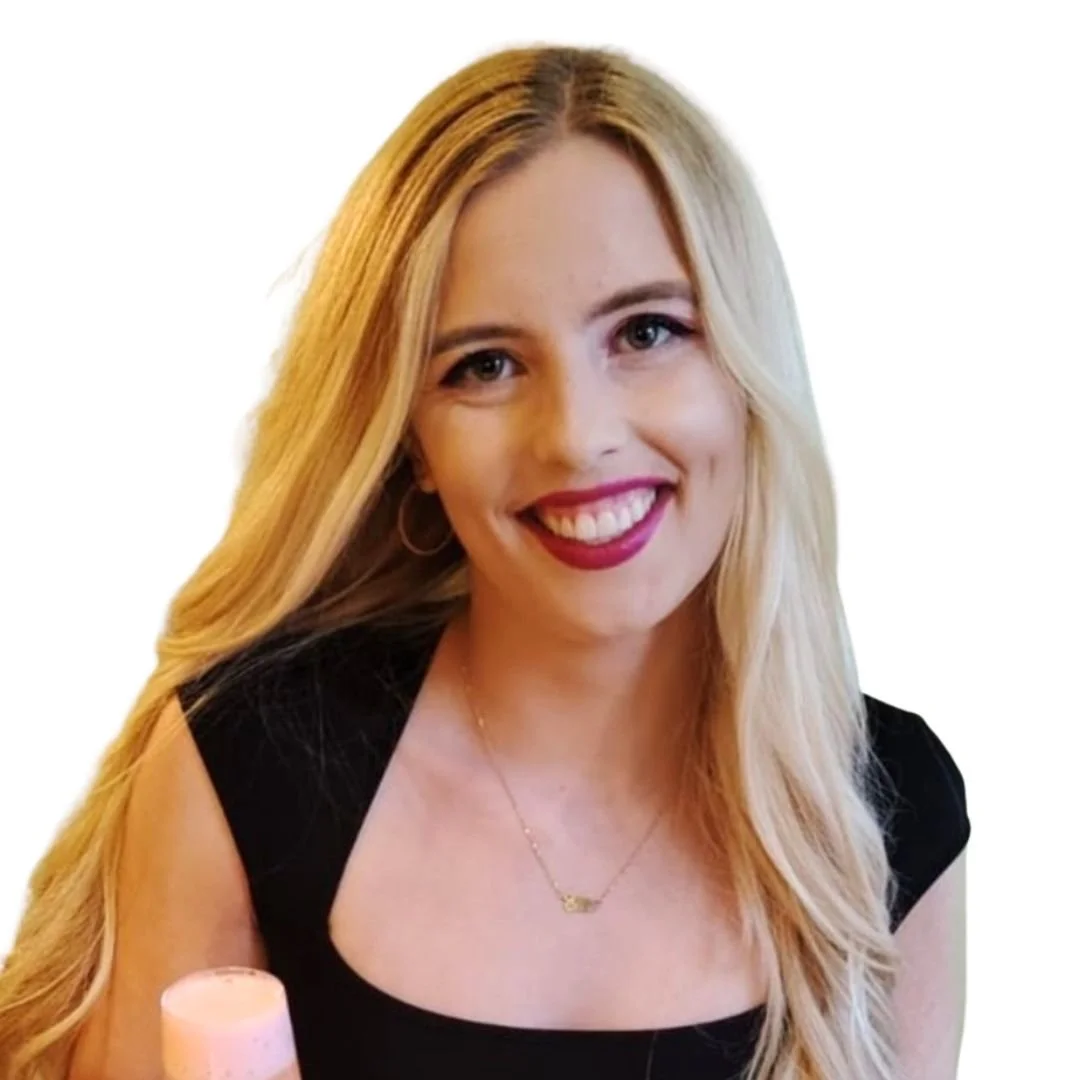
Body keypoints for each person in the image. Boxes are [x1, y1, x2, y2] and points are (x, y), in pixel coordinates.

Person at [0, 43, 969, 1080]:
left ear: (745, 367)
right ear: (410, 439)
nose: (577, 437)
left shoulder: (886, 809)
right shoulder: (249, 764)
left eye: (647, 330)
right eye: (486, 365)